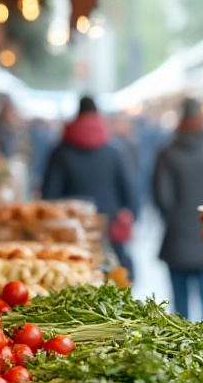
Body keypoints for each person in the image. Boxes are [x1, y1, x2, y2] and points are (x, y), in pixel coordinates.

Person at [152, 98, 203, 322]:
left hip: (176, 242)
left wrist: (176, 220)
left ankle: (181, 354)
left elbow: (162, 198)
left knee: (180, 312)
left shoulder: (167, 154)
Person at [41, 96, 140, 277]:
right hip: (108, 229)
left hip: (70, 232)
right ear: (97, 114)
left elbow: (49, 195)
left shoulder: (60, 151)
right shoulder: (115, 150)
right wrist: (128, 218)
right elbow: (131, 193)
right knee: (113, 281)